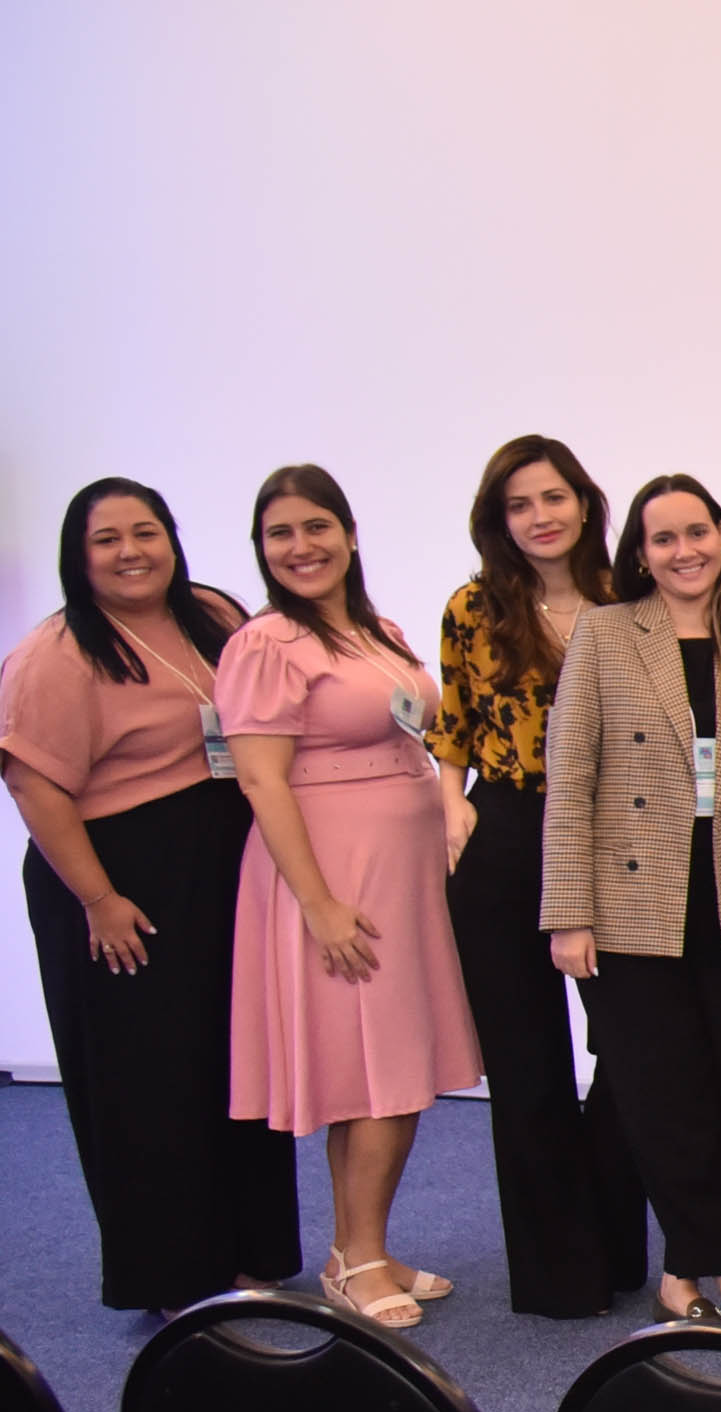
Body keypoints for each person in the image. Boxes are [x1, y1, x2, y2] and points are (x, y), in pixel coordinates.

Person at [0, 477, 297, 1313]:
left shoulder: (214, 614)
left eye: (146, 532)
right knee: (149, 1082)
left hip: (221, 867)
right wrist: (98, 898)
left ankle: (250, 1252)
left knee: (232, 1064)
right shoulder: (57, 653)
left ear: (172, 537)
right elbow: (33, 785)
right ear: (77, 555)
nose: (131, 551)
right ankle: (173, 1277)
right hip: (117, 880)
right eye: (107, 539)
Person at [544, 474, 721, 1333]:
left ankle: (678, 1273)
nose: (684, 550)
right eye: (663, 538)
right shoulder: (606, 632)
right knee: (662, 1098)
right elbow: (569, 777)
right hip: (630, 901)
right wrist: (568, 913)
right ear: (641, 553)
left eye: (697, 532)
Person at [220, 464, 483, 1327]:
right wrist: (320, 905)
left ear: (350, 533)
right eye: (280, 533)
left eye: (316, 526)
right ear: (261, 548)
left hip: (401, 870)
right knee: (376, 1075)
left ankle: (356, 1247)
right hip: (336, 873)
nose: (301, 546)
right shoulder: (265, 644)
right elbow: (262, 781)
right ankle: (359, 1255)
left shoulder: (377, 631)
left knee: (389, 1067)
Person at [427, 434, 645, 1318]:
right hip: (508, 831)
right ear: (499, 520)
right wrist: (451, 805)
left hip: (615, 833)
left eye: (554, 497)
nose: (540, 516)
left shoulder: (630, 597)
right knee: (527, 1068)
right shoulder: (473, 606)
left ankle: (614, 1242)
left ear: (585, 504)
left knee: (632, 1050)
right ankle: (560, 1273)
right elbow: (453, 720)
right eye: (519, 504)